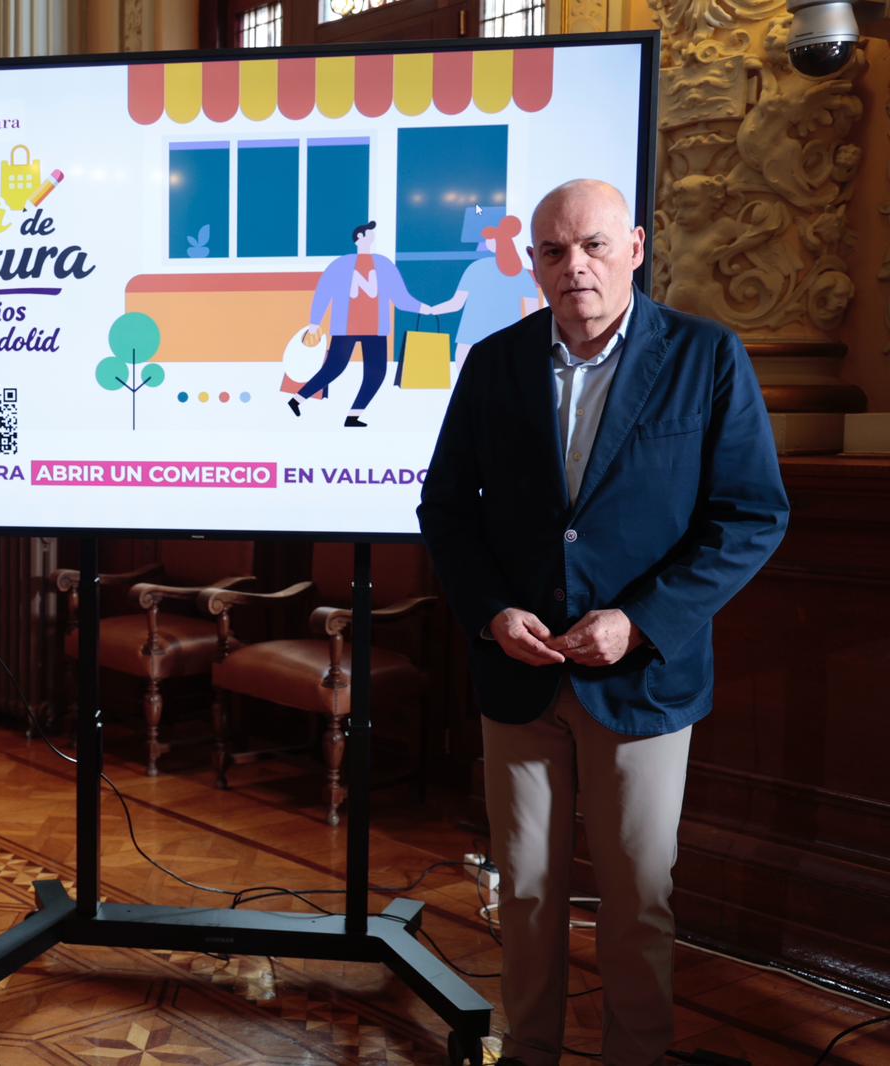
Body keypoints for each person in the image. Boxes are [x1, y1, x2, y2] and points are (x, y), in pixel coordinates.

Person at [416, 179, 789, 1066]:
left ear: (636, 247)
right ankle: (531, 1052)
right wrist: (490, 613)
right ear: (533, 263)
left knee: (637, 900)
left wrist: (641, 622)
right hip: (519, 673)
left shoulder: (707, 356)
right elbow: (447, 510)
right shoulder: (494, 363)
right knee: (527, 890)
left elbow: (752, 516)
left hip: (644, 677)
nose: (573, 266)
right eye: (553, 251)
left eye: (592, 245)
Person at [288, 220, 424, 427]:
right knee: (335, 368)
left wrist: (425, 309)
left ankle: (353, 416)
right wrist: (314, 323)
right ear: (359, 238)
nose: (373, 236)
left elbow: (401, 298)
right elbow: (324, 293)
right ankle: (297, 399)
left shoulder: (383, 264)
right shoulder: (342, 264)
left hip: (375, 328)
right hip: (346, 327)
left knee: (376, 373)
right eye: (369, 232)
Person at [424, 213, 542, 363]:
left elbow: (456, 304)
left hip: (469, 341)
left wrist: (431, 310)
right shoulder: (523, 275)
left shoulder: (476, 268)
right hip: (508, 343)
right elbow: (533, 316)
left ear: (492, 242)